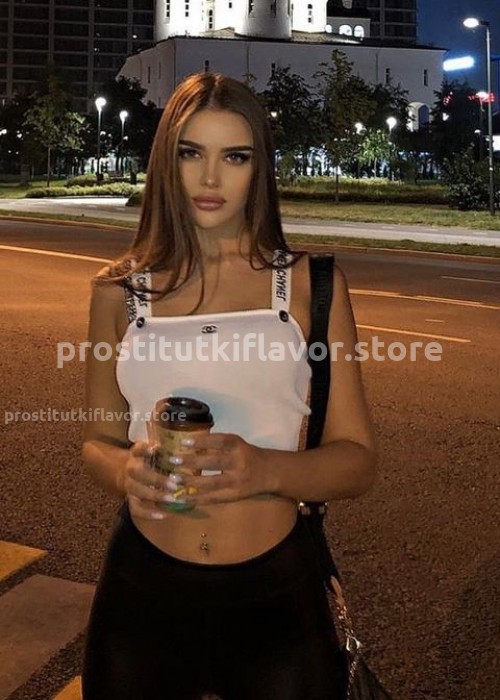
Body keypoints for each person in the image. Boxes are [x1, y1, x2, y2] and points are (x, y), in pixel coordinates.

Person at [81, 71, 377, 700]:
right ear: (166, 162)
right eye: (191, 153)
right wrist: (125, 470)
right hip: (141, 591)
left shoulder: (311, 284)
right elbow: (97, 440)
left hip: (275, 596)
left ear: (258, 168)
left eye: (235, 157)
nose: (211, 179)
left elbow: (357, 461)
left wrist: (264, 468)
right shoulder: (118, 291)